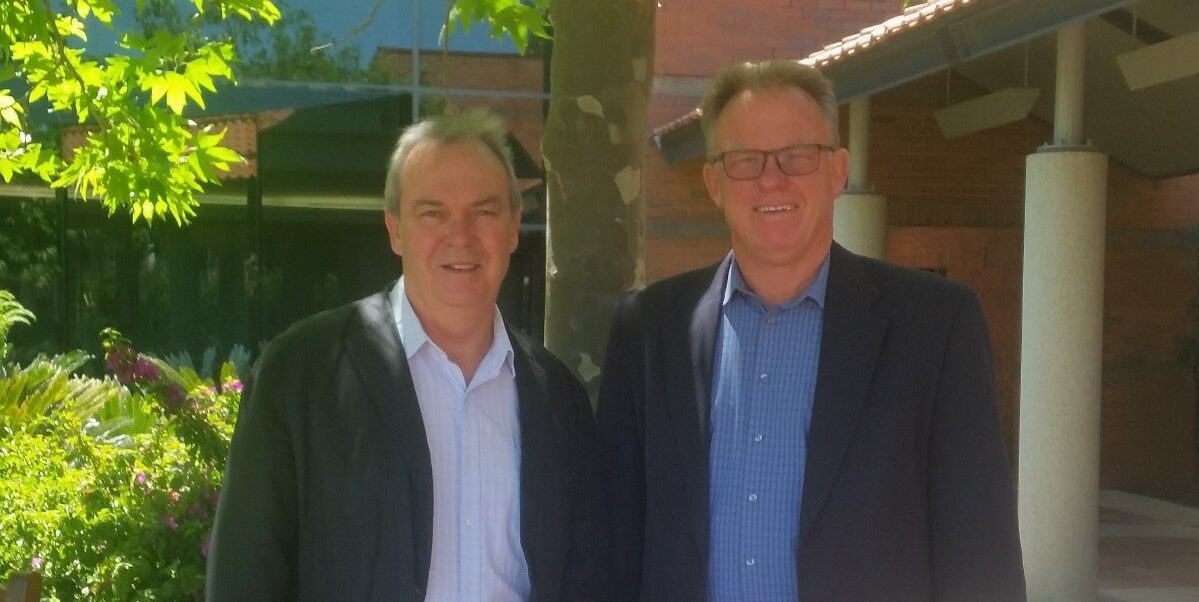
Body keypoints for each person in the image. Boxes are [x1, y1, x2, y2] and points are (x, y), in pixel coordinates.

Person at [596, 60, 1026, 601]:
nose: (772, 178)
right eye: (745, 159)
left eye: (798, 154)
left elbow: (980, 553)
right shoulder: (647, 331)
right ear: (714, 182)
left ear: (838, 170)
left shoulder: (936, 326)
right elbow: (614, 543)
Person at [207, 108, 605, 601]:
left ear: (512, 228)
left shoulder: (558, 400)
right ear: (395, 229)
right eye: (432, 212)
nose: (460, 235)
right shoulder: (302, 376)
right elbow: (244, 579)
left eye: (483, 211)